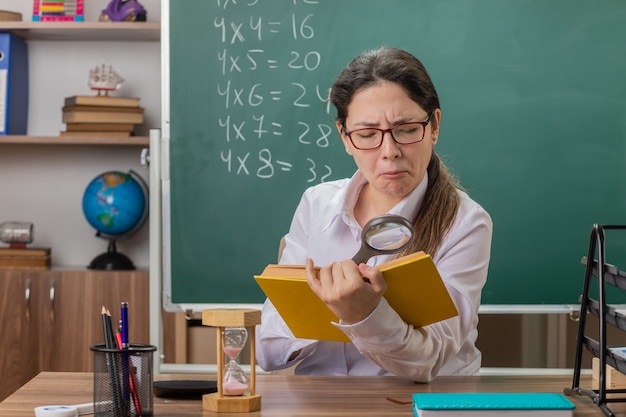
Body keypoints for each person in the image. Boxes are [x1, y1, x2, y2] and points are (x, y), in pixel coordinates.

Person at [256, 47, 492, 382]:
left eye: (407, 129)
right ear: (346, 138)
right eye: (367, 135)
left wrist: (364, 315)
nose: (389, 152)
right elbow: (269, 351)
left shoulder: (466, 222)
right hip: (320, 402)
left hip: (420, 404)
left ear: (434, 125)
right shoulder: (316, 204)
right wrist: (331, 308)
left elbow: (430, 361)